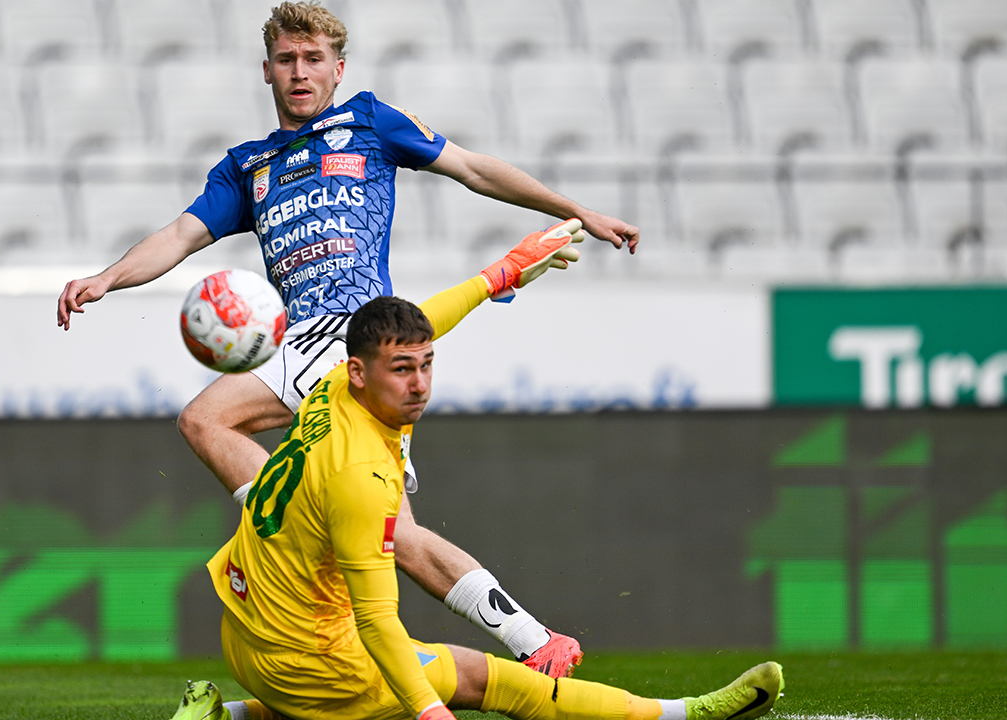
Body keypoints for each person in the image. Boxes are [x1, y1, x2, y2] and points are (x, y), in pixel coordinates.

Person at [56, 0, 639, 676]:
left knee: (216, 425)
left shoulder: (368, 123)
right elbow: (181, 235)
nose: (299, 72)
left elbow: (474, 168)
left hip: (358, 336)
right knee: (382, 524)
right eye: (286, 60)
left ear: (337, 69)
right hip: (298, 343)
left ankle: (308, 533)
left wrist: (576, 211)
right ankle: (536, 641)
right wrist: (108, 277)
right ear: (266, 72)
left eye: (312, 60)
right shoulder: (247, 168)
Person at [171, 229, 785, 720]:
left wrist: (502, 274)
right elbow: (378, 620)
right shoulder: (364, 476)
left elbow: (427, 317)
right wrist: (430, 711)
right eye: (402, 370)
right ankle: (688, 714)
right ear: (361, 372)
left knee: (355, 697)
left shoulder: (336, 383)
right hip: (306, 660)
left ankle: (227, 714)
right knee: (488, 681)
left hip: (246, 630)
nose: (419, 385)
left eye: (426, 364)